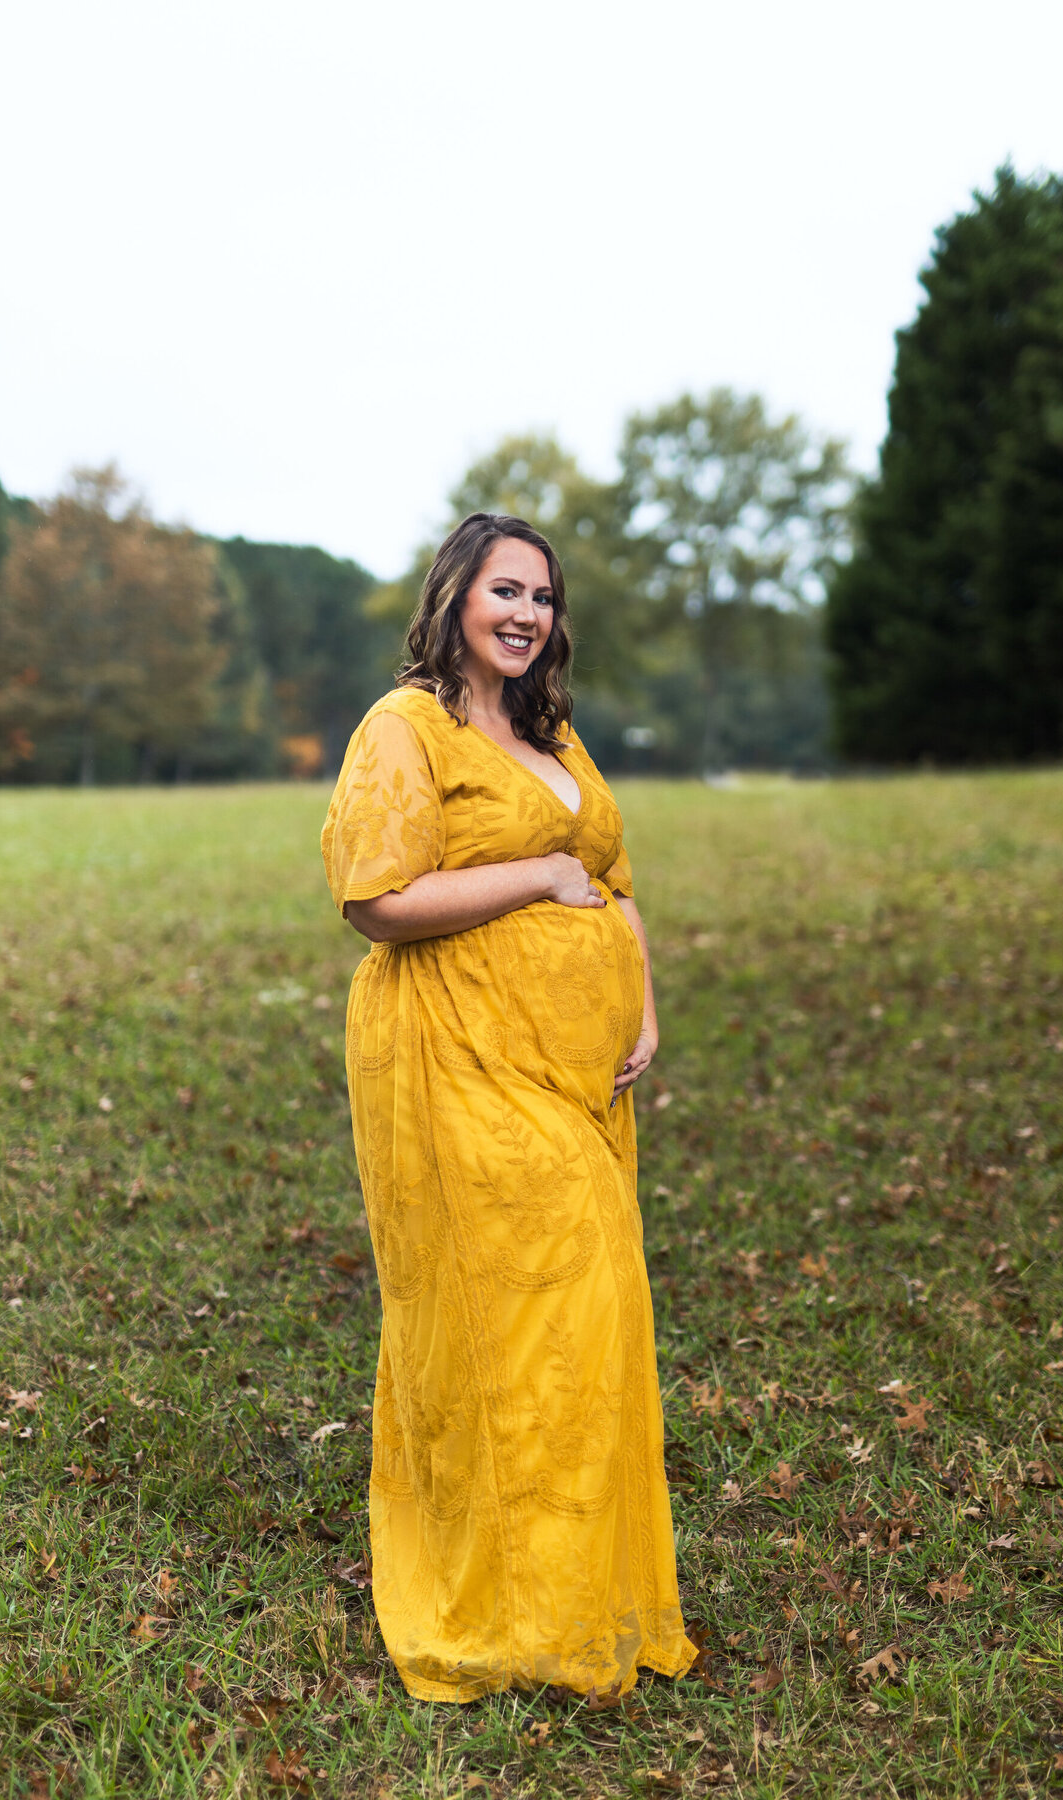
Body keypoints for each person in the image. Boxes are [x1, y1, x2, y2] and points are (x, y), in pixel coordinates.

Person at [320, 512, 697, 1703]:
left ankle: (579, 1598)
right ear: (455, 598)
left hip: (576, 1077)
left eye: (543, 596)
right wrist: (536, 877)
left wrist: (640, 1000)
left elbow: (611, 874)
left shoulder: (552, 732)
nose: (528, 614)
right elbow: (375, 897)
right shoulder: (405, 728)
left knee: (582, 1324)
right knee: (510, 1322)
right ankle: (503, 1611)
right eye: (506, 591)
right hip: (452, 1058)